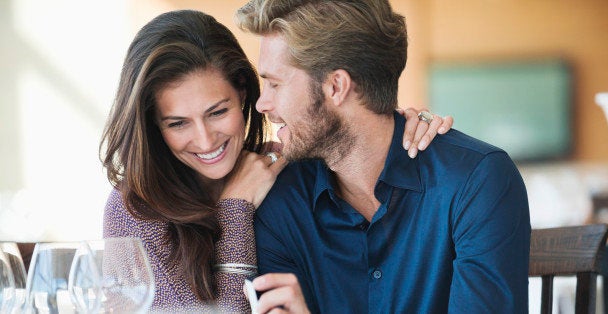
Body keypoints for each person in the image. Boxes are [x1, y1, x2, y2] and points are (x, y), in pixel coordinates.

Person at [99, 9, 452, 312]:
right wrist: (234, 210)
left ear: (242, 93)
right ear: (151, 124)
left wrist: (402, 126)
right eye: (178, 123)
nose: (205, 140)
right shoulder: (134, 212)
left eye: (218, 112)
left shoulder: (286, 167)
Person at [236, 0, 531, 313]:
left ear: (336, 86)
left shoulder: (474, 181)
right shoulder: (282, 201)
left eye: (274, 84)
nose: (262, 104)